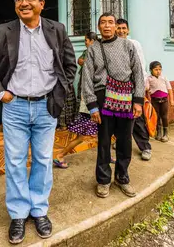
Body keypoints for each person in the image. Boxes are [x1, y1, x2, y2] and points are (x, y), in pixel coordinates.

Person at [0, 0, 76, 244]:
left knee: (44, 160)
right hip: (15, 107)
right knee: (14, 161)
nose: (24, 3)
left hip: (46, 107)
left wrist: (59, 92)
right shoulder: (3, 31)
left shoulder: (56, 30)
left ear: (41, 4)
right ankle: (19, 214)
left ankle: (39, 210)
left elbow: (69, 66)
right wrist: (1, 93)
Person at [82, 13, 145, 199]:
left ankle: (122, 178)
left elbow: (138, 73)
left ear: (116, 26)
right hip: (103, 100)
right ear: (99, 27)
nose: (107, 26)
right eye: (103, 23)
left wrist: (139, 101)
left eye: (110, 22)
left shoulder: (128, 46)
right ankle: (103, 180)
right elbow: (87, 78)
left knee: (125, 141)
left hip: (126, 98)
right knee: (103, 142)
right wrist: (92, 106)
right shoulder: (93, 49)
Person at [54, 32, 115, 168]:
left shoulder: (94, 58)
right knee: (81, 137)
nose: (85, 43)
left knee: (104, 133)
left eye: (86, 40)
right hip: (90, 108)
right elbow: (86, 84)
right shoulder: (90, 59)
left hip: (95, 105)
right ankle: (60, 155)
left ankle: (107, 155)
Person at [116, 18, 151, 161]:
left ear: (128, 30)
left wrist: (141, 88)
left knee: (137, 118)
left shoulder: (134, 44)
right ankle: (121, 142)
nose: (121, 31)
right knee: (119, 118)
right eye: (118, 28)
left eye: (124, 28)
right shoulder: (111, 45)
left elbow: (141, 66)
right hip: (117, 90)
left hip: (133, 88)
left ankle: (145, 147)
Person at [146, 61, 174, 142]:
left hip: (164, 100)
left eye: (160, 69)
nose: (158, 71)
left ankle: (165, 134)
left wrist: (171, 100)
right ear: (151, 70)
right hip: (155, 101)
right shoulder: (149, 79)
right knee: (156, 116)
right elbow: (147, 88)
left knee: (164, 116)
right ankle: (158, 132)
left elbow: (169, 89)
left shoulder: (164, 77)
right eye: (156, 69)